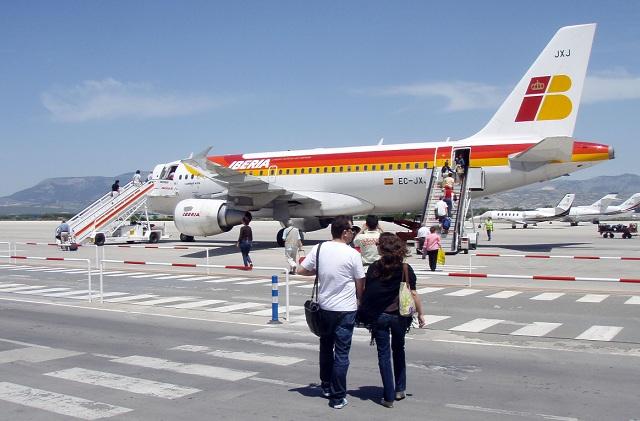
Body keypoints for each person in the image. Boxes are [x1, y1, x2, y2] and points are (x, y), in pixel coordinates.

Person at [297, 216, 366, 410]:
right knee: (342, 354)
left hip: (325, 308)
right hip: (345, 310)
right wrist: (360, 300)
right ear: (344, 232)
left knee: (326, 348)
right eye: (351, 230)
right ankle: (337, 397)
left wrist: (319, 272)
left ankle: (326, 386)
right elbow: (360, 281)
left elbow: (301, 270)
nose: (352, 233)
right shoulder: (352, 254)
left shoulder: (319, 248)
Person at [358, 233, 426, 408]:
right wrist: (420, 314)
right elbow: (414, 293)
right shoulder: (405, 268)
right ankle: (400, 389)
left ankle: (388, 396)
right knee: (399, 349)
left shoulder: (374, 267)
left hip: (379, 315)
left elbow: (368, 290)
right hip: (400, 316)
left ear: (381, 248)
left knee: (383, 354)